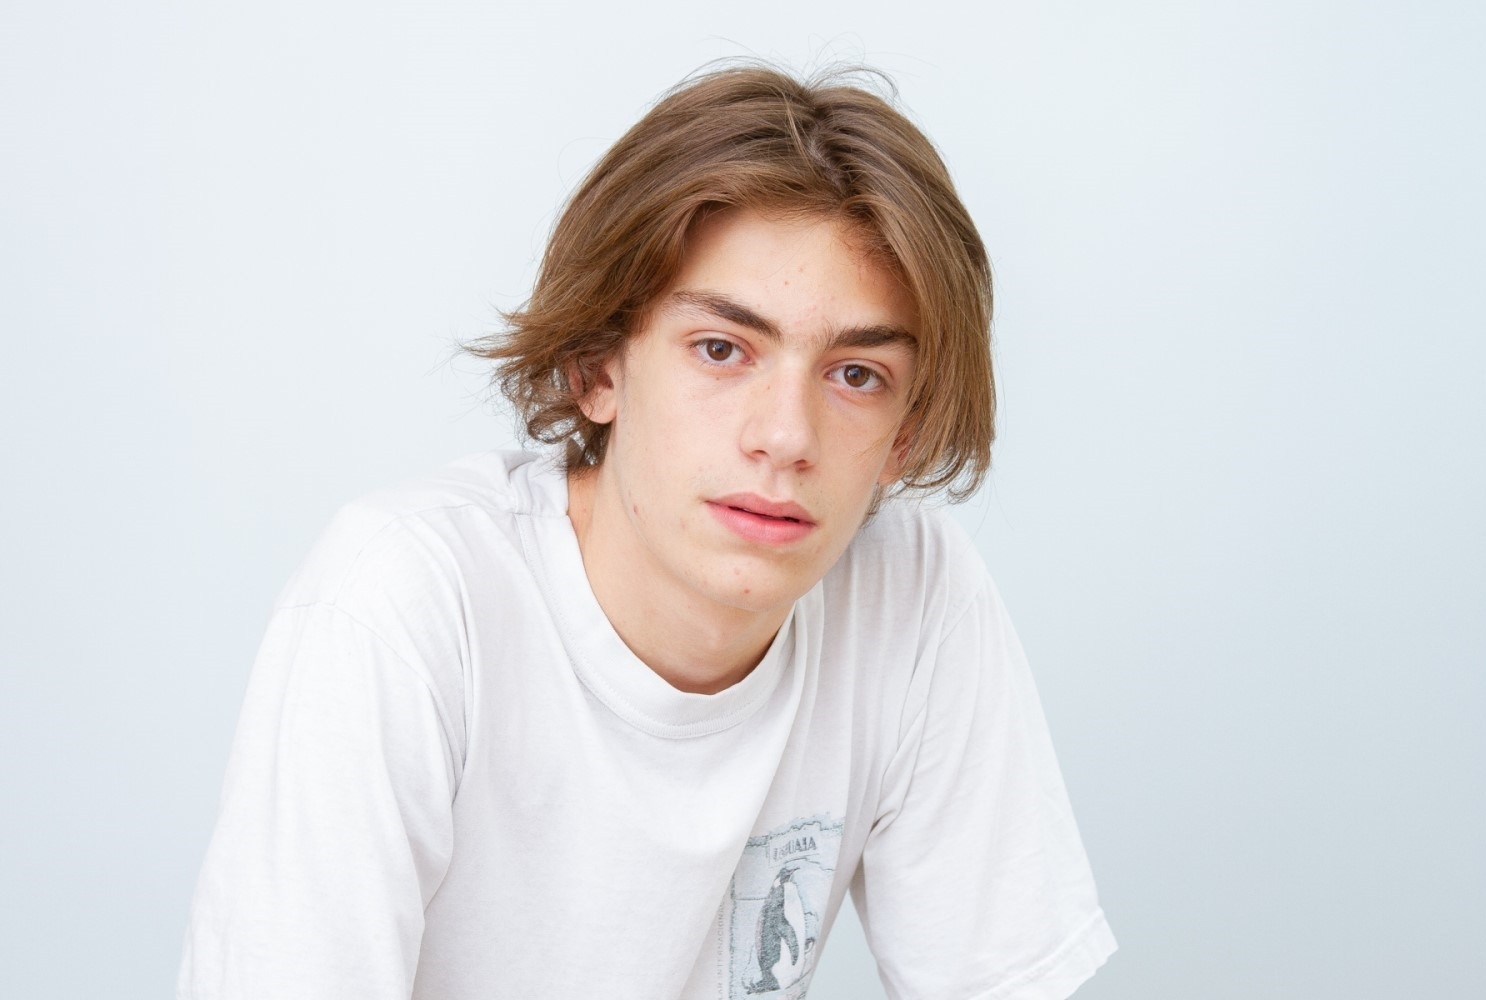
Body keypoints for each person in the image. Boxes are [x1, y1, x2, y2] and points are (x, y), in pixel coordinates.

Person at [178, 64, 1116, 1000]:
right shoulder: (404, 605)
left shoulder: (911, 596)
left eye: (856, 375)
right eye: (722, 350)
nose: (786, 437)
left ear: (904, 435)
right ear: (598, 366)